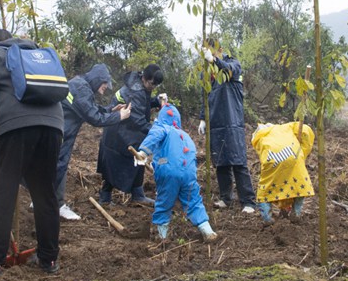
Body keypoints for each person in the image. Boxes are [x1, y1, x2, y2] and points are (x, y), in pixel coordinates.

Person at [0, 29, 64, 276]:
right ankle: (49, 259)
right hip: (52, 126)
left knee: (2, 193)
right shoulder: (39, 55)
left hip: (14, 127)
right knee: (45, 193)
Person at [134, 102, 218, 242]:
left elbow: (154, 135)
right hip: (189, 173)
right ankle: (207, 231)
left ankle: (162, 236)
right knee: (193, 201)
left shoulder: (163, 127)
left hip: (168, 171)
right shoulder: (185, 135)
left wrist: (143, 151)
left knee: (164, 200)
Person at [56, 64, 131, 220]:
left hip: (60, 129)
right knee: (59, 165)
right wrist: (120, 117)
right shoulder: (82, 89)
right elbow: (94, 118)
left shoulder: (80, 84)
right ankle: (57, 205)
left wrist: (111, 110)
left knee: (54, 164)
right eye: (104, 84)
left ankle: (42, 201)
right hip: (62, 132)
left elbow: (90, 108)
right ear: (98, 79)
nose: (105, 88)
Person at [198, 38, 257, 214]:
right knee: (220, 161)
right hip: (215, 122)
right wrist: (203, 118)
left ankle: (248, 201)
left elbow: (229, 70)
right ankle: (226, 197)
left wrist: (214, 60)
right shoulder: (206, 73)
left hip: (232, 121)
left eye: (212, 51)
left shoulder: (232, 64)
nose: (209, 55)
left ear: (220, 50)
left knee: (238, 160)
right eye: (206, 52)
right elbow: (205, 96)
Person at [97, 63, 164, 205]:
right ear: (145, 78)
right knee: (114, 163)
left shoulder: (140, 84)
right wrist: (157, 131)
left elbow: (142, 104)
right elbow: (138, 120)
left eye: (156, 86)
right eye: (152, 84)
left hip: (126, 129)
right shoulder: (135, 91)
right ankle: (105, 197)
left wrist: (156, 101)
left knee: (138, 158)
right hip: (117, 132)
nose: (153, 87)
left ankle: (137, 194)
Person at [251, 122, 315, 223]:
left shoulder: (260, 135)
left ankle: (267, 218)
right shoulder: (288, 127)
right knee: (299, 184)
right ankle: (296, 213)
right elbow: (306, 129)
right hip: (294, 158)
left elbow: (261, 152)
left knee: (265, 190)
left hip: (272, 160)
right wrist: (303, 152)